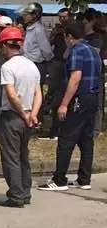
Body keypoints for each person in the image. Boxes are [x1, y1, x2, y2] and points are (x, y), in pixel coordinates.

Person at [39, 21, 101, 191]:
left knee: (66, 138)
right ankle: (84, 178)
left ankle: (59, 179)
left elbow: (75, 78)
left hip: (78, 98)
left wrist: (64, 104)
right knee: (86, 139)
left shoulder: (77, 50)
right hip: (92, 97)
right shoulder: (92, 51)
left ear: (69, 37)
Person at [0, 26, 41, 208]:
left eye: (1, 46)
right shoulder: (32, 65)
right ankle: (25, 192)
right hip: (29, 115)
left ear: (7, 45)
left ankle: (16, 196)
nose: (0, 50)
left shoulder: (8, 67)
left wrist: (22, 113)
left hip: (13, 115)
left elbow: (11, 94)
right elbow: (39, 93)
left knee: (11, 157)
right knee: (23, 156)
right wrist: (33, 115)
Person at [41, 8, 73, 140]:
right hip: (56, 62)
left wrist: (66, 34)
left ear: (70, 17)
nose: (62, 19)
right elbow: (49, 44)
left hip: (69, 63)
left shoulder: (72, 30)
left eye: (64, 17)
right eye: (60, 17)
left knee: (65, 92)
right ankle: (48, 126)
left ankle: (62, 126)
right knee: (52, 93)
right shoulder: (58, 30)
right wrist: (54, 34)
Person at [20, 3, 53, 102]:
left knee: (36, 94)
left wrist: (46, 62)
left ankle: (38, 116)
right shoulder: (30, 29)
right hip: (29, 64)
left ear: (35, 15)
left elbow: (46, 50)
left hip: (37, 65)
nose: (24, 16)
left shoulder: (38, 29)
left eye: (28, 14)